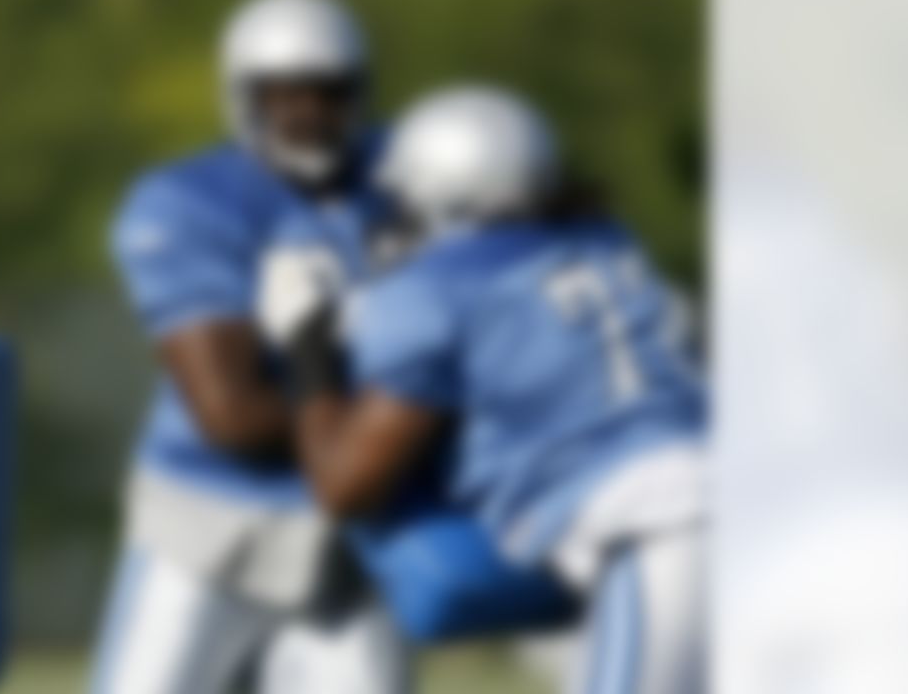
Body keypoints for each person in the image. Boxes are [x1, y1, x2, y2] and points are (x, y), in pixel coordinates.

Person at [262, 87, 707, 694]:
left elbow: (346, 485)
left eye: (404, 199)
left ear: (443, 196)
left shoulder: (429, 293)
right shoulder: (609, 248)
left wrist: (307, 355)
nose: (395, 215)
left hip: (657, 530)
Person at [93, 0, 406, 694]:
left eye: (329, 93)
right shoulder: (190, 202)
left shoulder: (404, 176)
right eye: (285, 95)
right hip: (212, 533)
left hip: (348, 544)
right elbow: (230, 416)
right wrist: (400, 418)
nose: (310, 115)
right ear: (244, 97)